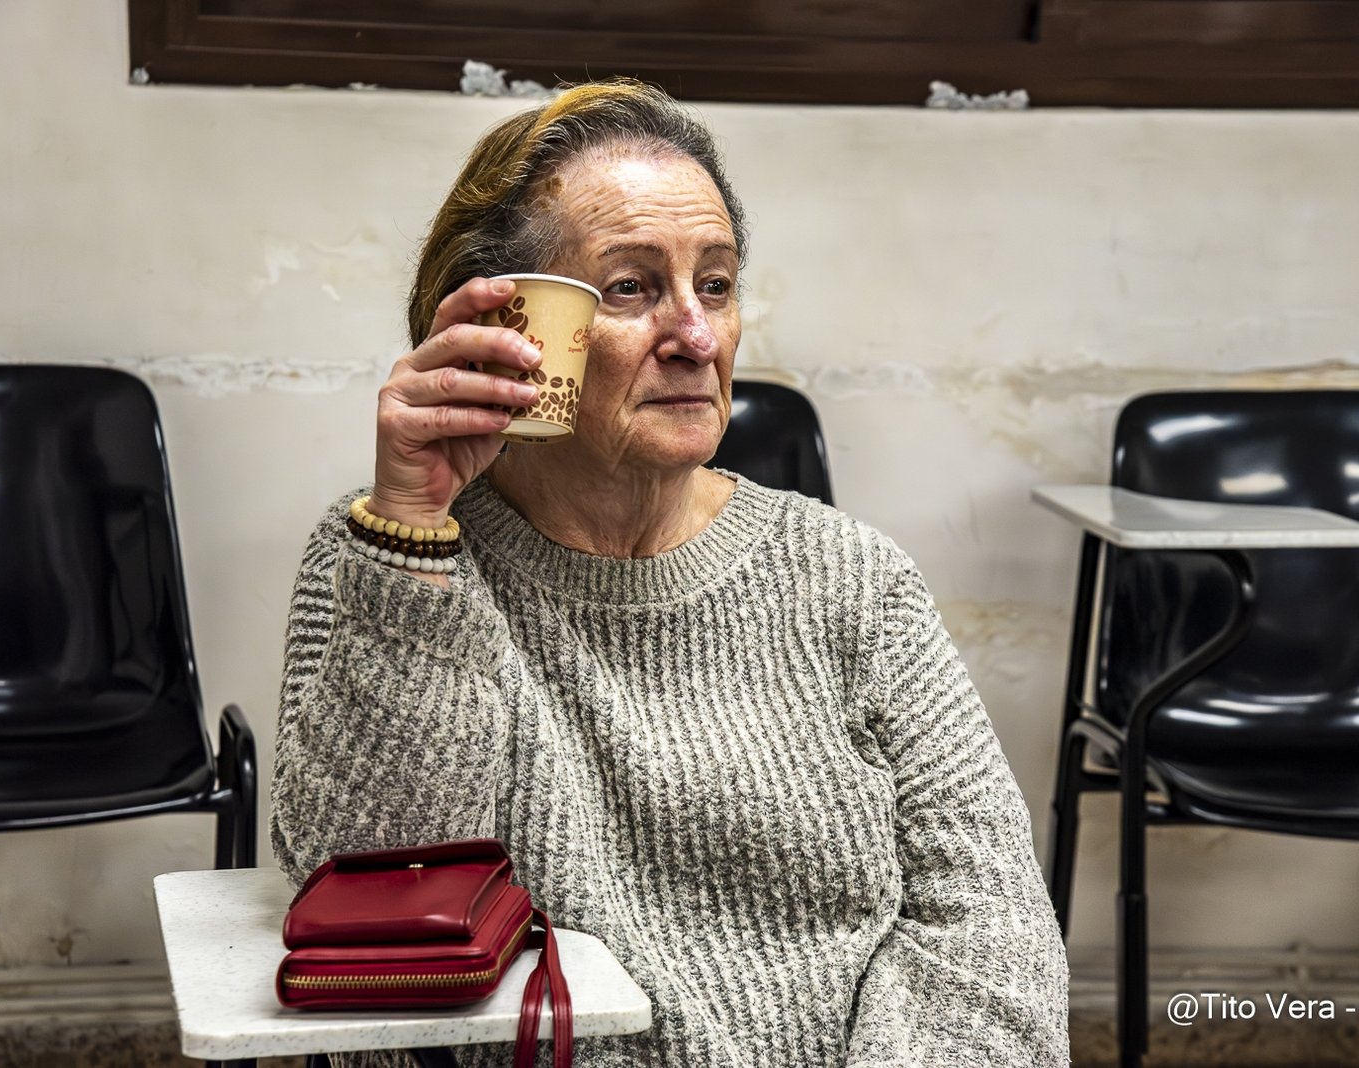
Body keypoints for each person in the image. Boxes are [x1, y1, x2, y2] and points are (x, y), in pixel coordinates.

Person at [270, 78, 1069, 1066]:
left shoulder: (853, 581)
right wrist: (412, 532)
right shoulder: (388, 556)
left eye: (717, 285)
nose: (696, 336)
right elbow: (366, 893)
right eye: (631, 287)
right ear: (508, 327)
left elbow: (989, 935)